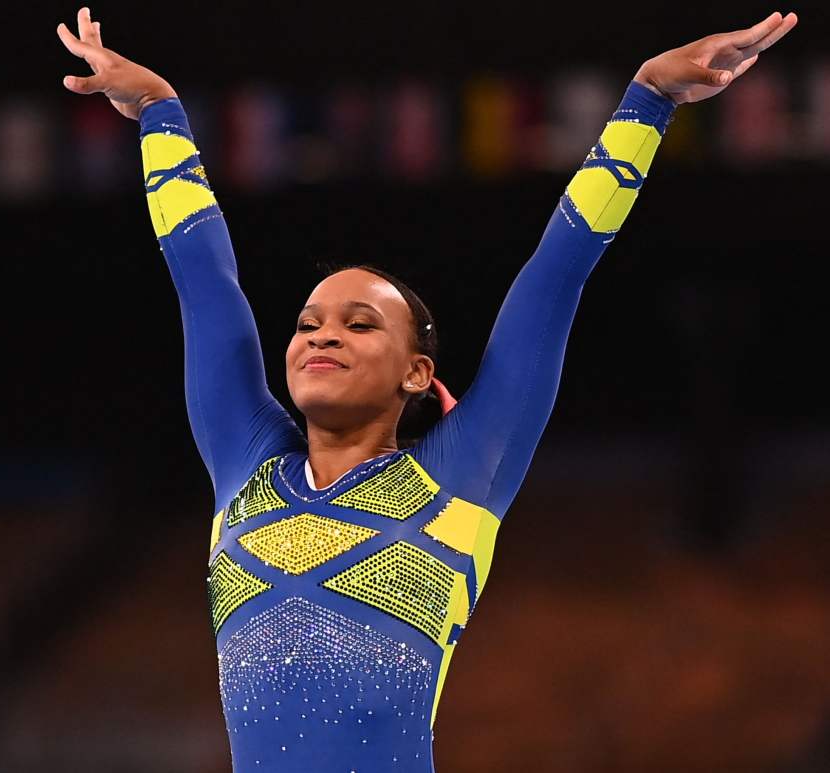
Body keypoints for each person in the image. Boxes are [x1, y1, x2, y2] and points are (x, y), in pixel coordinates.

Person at [57, 8, 797, 772]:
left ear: (417, 371)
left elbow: (557, 270)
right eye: (308, 323)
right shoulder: (244, 467)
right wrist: (160, 113)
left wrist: (649, 98)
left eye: (358, 324)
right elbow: (205, 284)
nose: (322, 336)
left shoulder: (458, 479)